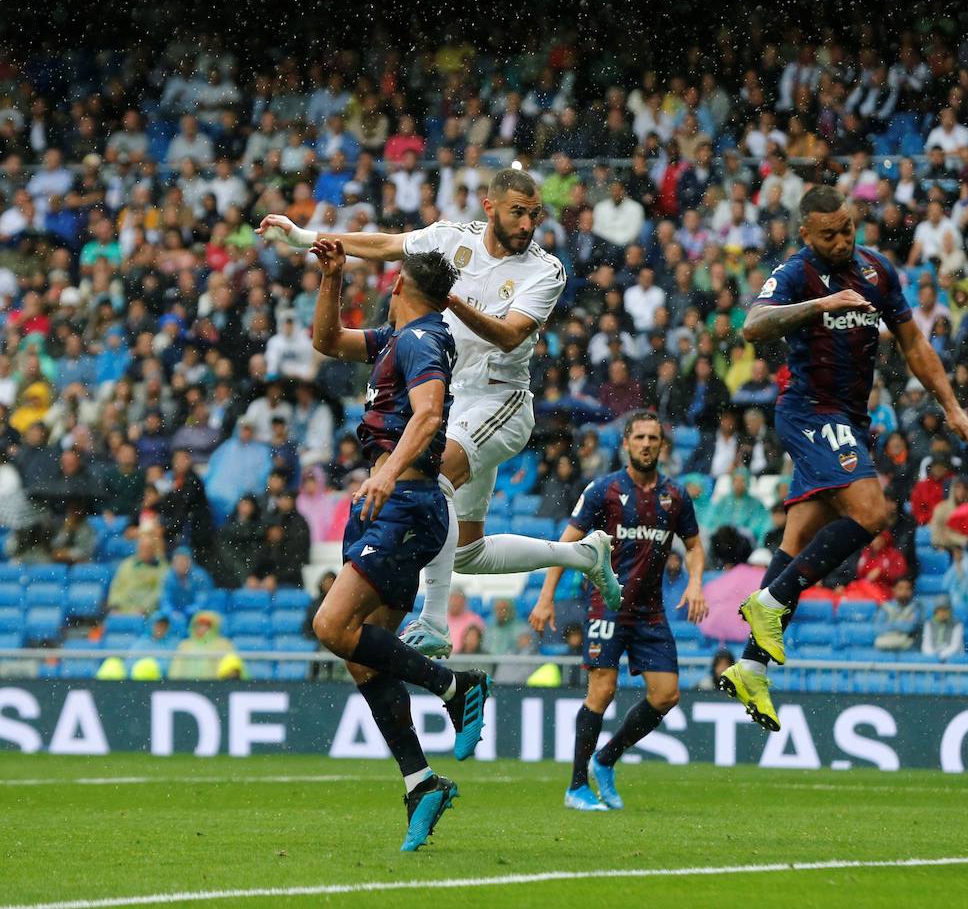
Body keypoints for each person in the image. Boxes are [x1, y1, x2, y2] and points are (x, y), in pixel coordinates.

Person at [259, 169, 621, 661]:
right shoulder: (452, 238)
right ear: (490, 208)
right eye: (518, 212)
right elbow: (386, 246)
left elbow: (511, 335)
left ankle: (433, 619)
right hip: (455, 402)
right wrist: (306, 238)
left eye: (534, 215)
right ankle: (580, 554)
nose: (527, 224)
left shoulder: (546, 270)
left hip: (499, 402)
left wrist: (452, 301)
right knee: (468, 552)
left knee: (429, 479)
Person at [721, 186, 968, 731]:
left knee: (796, 541)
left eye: (847, 229)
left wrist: (954, 409)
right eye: (829, 235)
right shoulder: (796, 274)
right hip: (809, 411)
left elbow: (914, 345)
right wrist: (821, 305)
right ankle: (771, 604)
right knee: (873, 514)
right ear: (805, 235)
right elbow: (752, 326)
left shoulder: (877, 270)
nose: (842, 241)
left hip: (850, 421)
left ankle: (750, 666)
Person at [303, 236, 489, 852]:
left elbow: (430, 415)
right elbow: (326, 343)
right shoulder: (397, 340)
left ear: (402, 286)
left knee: (331, 626)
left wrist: (384, 472)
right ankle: (420, 783)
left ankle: (455, 687)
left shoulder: (422, 339)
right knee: (363, 654)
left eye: (391, 277)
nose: (384, 283)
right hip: (389, 505)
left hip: (403, 504)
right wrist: (330, 278)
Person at [528, 411, 707, 811]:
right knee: (602, 691)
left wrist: (695, 583)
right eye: (640, 437)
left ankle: (605, 759)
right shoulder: (603, 490)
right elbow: (565, 545)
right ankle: (576, 787)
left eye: (653, 438)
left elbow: (694, 546)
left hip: (651, 612)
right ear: (626, 443)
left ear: (662, 446)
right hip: (607, 607)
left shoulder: (675, 495)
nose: (646, 444)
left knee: (666, 695)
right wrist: (545, 597)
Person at [106, 532, 169, 616]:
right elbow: (116, 587)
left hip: (146, 612)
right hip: (122, 609)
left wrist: (144, 609)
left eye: (148, 548)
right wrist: (115, 606)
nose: (144, 551)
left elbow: (158, 593)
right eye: (141, 548)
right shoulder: (126, 564)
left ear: (154, 550)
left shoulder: (162, 568)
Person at [874, 575, 920, 650]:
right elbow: (878, 628)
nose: (904, 592)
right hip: (886, 641)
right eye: (900, 588)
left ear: (912, 591)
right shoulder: (885, 606)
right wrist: (901, 624)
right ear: (893, 589)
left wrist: (890, 625)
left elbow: (910, 627)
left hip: (906, 644)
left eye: (907, 589)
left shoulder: (916, 607)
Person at [920, 595, 964, 661]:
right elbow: (926, 645)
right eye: (940, 610)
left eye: (945, 610)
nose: (942, 613)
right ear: (935, 611)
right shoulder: (929, 624)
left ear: (950, 611)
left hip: (952, 659)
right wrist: (934, 657)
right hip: (933, 659)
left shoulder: (957, 624)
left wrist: (942, 655)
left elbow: (955, 646)